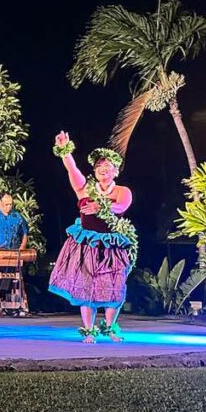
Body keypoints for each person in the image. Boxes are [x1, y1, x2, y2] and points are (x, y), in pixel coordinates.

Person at [48, 131, 136, 343]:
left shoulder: (123, 191)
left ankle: (110, 328)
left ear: (115, 171)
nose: (102, 170)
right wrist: (65, 150)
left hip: (111, 245)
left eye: (107, 167)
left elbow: (122, 206)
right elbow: (72, 168)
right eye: (98, 167)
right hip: (86, 245)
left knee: (114, 286)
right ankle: (89, 330)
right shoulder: (85, 188)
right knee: (86, 286)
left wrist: (101, 206)